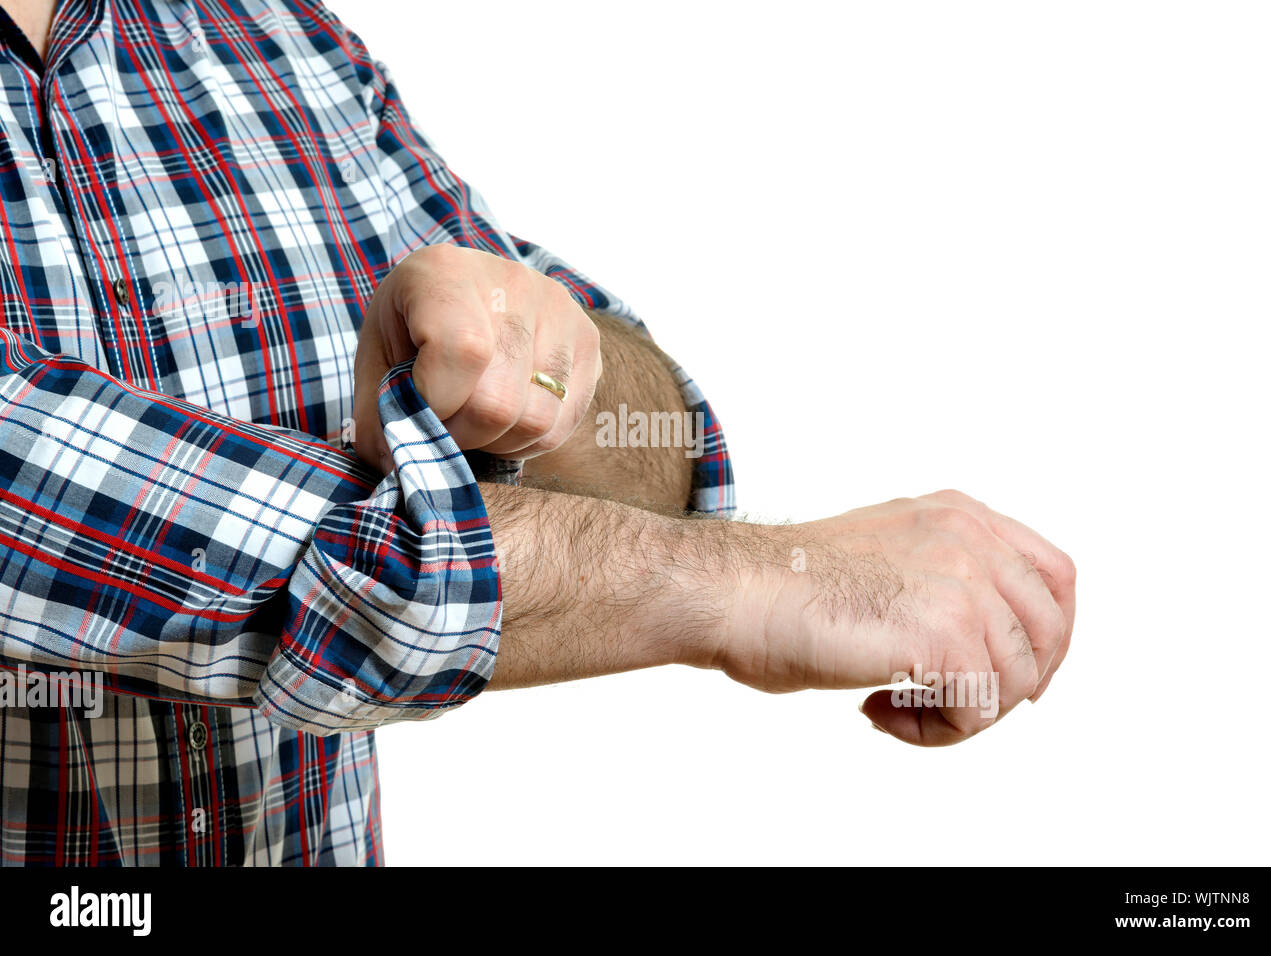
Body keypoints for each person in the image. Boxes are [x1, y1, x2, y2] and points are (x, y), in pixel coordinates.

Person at [0, 0, 1074, 866]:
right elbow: (71, 499)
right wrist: (751, 580)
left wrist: (550, 379)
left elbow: (658, 463)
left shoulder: (273, 36)